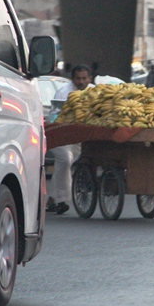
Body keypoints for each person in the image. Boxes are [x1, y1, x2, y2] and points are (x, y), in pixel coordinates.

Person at [47, 64, 94, 214]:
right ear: (73, 79)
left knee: (64, 166)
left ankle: (52, 200)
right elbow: (54, 116)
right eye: (78, 79)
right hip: (60, 134)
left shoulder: (94, 91)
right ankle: (62, 200)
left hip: (78, 136)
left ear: (89, 78)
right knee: (65, 159)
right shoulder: (64, 92)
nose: (81, 82)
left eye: (84, 78)